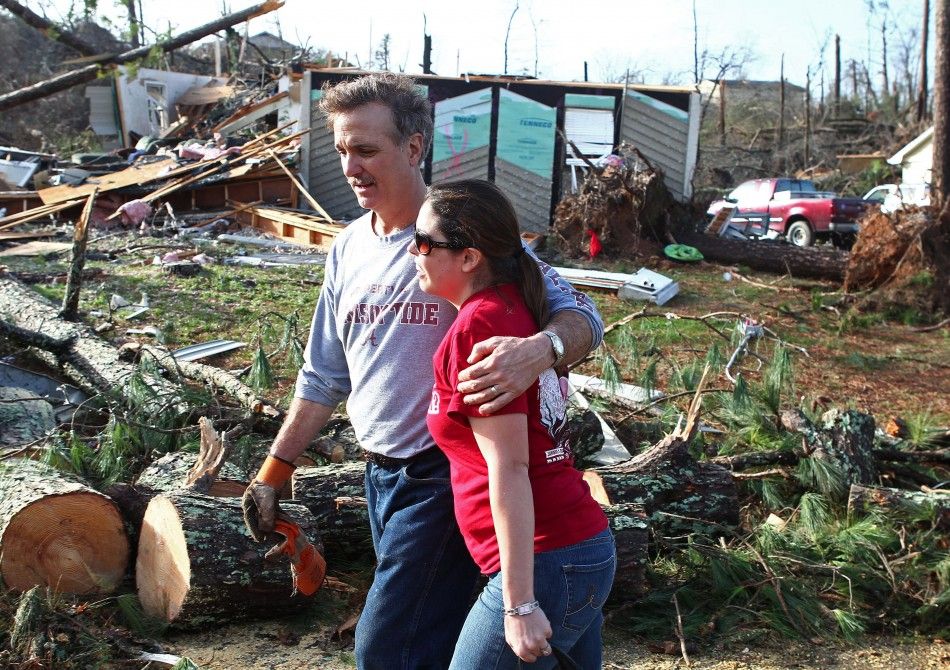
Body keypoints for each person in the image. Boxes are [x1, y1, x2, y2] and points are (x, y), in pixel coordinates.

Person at [240, 72, 605, 670]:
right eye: (341, 150)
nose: (350, 166)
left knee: (389, 649)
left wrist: (539, 350)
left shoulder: (459, 237)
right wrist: (274, 470)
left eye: (366, 149)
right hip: (380, 476)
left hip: (445, 476)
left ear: (413, 148)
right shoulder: (348, 247)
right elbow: (324, 376)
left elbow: (582, 314)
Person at [412, 179, 615, 669]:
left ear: (468, 258)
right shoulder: (516, 306)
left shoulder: (479, 330)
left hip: (548, 558)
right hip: (574, 550)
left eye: (422, 243)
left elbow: (511, 469)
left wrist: (520, 604)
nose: (413, 254)